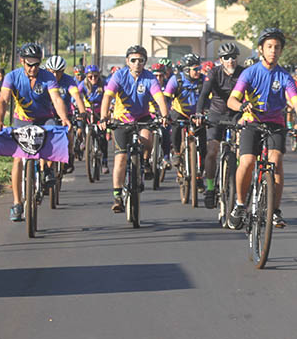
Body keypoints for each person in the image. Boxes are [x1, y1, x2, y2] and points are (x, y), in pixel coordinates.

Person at [227, 28, 297, 229]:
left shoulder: (285, 76)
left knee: (276, 161)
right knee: (247, 161)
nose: (273, 51)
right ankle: (240, 204)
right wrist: (241, 106)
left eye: (277, 47)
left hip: (275, 124)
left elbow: (296, 102)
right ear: (261, 50)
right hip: (252, 122)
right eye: (269, 47)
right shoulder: (250, 72)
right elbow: (232, 100)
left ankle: (275, 210)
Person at [0, 43, 72, 222]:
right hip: (22, 119)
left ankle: (48, 169)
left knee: (54, 136)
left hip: (45, 118)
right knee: (18, 159)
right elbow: (4, 100)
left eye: (36, 64)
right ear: (22, 61)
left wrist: (64, 117)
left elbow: (56, 99)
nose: (33, 68)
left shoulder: (48, 77)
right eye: (29, 64)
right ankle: (17, 203)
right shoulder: (12, 76)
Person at [100, 45, 169, 213]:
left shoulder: (149, 77)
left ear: (145, 62)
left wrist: (165, 116)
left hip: (142, 117)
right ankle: (117, 196)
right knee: (121, 158)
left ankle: (144, 162)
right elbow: (108, 96)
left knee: (147, 139)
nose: (137, 63)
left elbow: (159, 97)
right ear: (127, 61)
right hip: (121, 120)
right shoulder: (119, 76)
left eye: (141, 60)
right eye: (133, 60)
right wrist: (103, 117)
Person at [197, 41, 245, 210]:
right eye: (226, 57)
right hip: (216, 114)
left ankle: (237, 180)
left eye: (233, 57)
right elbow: (204, 94)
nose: (230, 60)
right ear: (220, 60)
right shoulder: (214, 73)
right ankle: (210, 188)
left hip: (237, 115)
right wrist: (199, 113)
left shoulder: (243, 73)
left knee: (241, 151)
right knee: (212, 151)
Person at [45, 56, 88, 173]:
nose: (55, 75)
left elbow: (77, 96)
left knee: (69, 134)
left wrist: (83, 112)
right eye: (52, 72)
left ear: (63, 71)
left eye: (58, 72)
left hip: (65, 114)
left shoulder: (68, 80)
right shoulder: (44, 79)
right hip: (48, 114)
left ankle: (70, 155)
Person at [165, 53, 206, 176]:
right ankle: (177, 152)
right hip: (180, 112)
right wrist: (166, 113)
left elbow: (210, 98)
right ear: (187, 70)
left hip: (197, 114)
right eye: (196, 69)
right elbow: (166, 98)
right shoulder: (176, 80)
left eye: (200, 68)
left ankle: (199, 173)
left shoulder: (203, 80)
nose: (199, 71)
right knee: (176, 127)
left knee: (203, 144)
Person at [79, 64, 109, 173]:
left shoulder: (103, 84)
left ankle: (104, 162)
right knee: (81, 121)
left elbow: (109, 94)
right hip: (87, 110)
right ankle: (84, 139)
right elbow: (76, 96)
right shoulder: (83, 84)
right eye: (90, 76)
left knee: (102, 137)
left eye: (95, 76)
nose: (93, 79)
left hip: (99, 111)